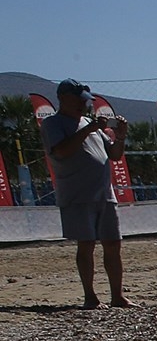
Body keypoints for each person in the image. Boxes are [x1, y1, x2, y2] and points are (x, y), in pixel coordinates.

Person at [41, 80, 130, 309]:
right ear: (62, 97)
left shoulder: (89, 123)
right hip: (77, 194)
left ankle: (117, 296)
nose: (83, 103)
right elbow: (61, 150)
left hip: (104, 194)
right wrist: (88, 130)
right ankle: (90, 296)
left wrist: (120, 137)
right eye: (78, 98)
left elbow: (114, 155)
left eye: (85, 100)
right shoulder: (53, 123)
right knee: (86, 243)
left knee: (113, 243)